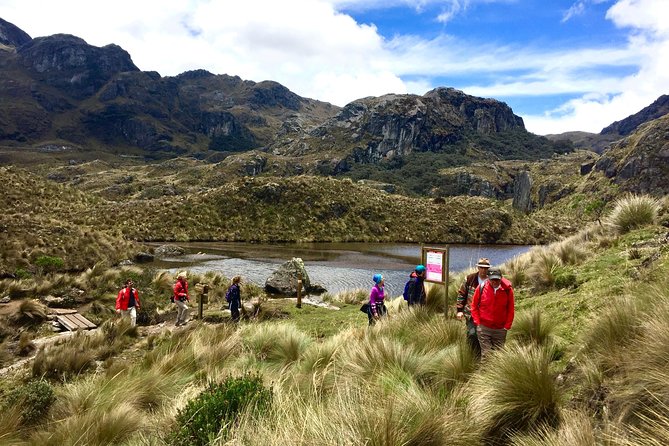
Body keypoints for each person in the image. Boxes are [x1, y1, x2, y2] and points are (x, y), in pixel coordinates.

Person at [471, 267, 514, 359]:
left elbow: (510, 309)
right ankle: (484, 372)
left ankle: (496, 373)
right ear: (488, 278)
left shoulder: (507, 290)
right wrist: (478, 323)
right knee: (486, 354)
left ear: (501, 278)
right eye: (492, 279)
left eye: (497, 279)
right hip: (484, 328)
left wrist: (507, 326)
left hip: (500, 329)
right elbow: (474, 306)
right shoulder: (481, 288)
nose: (494, 282)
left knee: (498, 355)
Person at [456, 257, 491, 357]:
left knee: (483, 336)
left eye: (486, 268)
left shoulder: (491, 280)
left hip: (485, 315)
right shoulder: (470, 279)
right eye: (481, 267)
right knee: (472, 334)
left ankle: (482, 356)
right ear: (478, 268)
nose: (483, 270)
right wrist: (459, 310)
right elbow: (462, 294)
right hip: (470, 313)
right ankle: (471, 355)